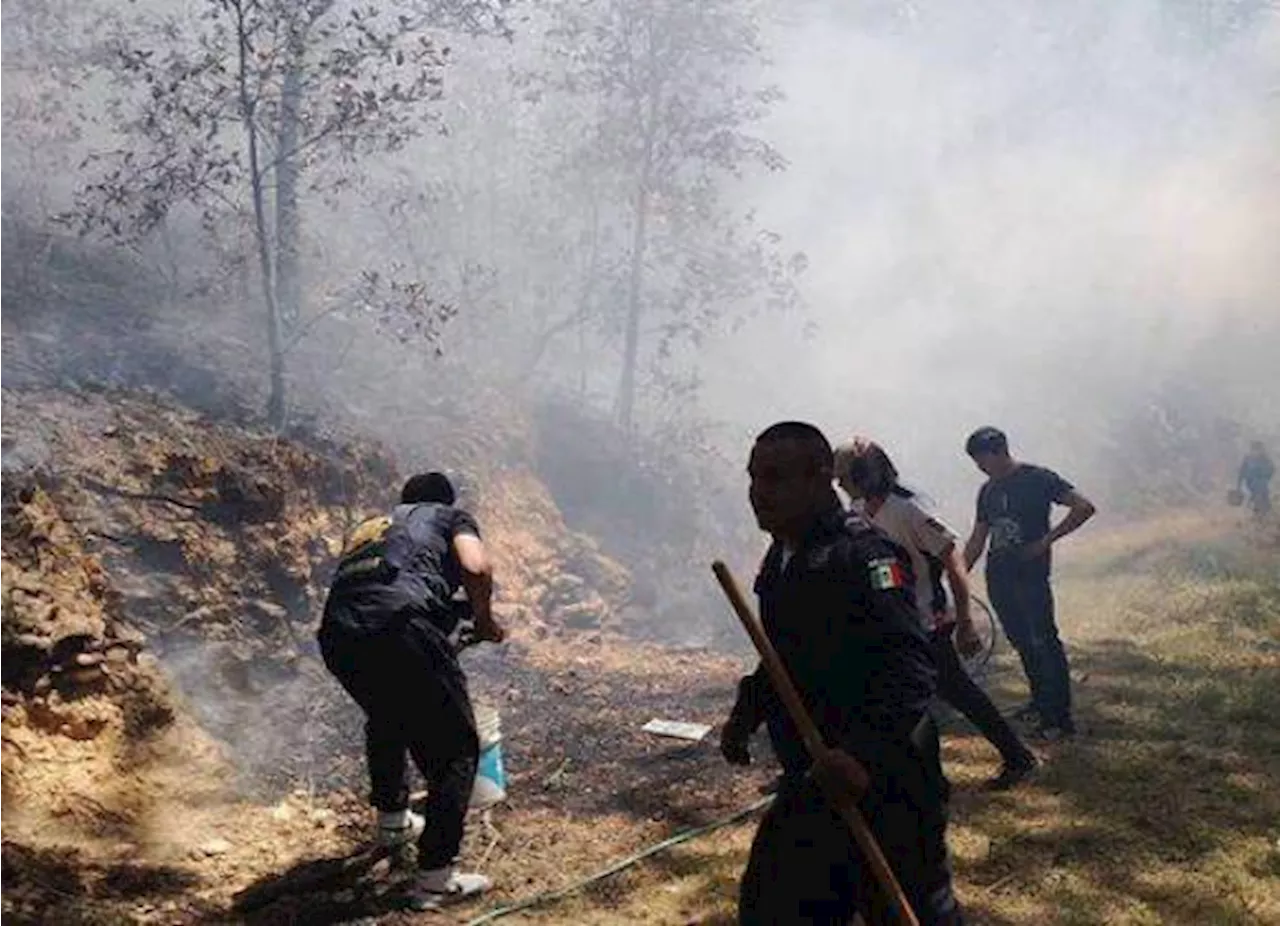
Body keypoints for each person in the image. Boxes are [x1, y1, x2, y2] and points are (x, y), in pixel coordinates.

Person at [721, 422, 964, 925]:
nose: (757, 493)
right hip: (814, 776)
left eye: (774, 478)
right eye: (753, 478)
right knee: (773, 908)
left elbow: (910, 669)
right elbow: (784, 655)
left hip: (888, 777)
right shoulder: (783, 555)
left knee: (910, 907)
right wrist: (746, 714)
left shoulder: (865, 556)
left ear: (820, 479)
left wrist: (859, 756)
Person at [318, 471, 506, 909]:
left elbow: (386, 589)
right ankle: (434, 880)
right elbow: (476, 568)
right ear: (445, 500)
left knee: (386, 717)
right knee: (457, 751)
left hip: (338, 635)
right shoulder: (449, 517)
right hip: (402, 626)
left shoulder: (374, 529)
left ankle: (393, 822)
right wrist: (484, 622)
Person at [834, 437, 1038, 790]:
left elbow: (951, 557)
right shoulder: (860, 511)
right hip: (894, 621)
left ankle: (1014, 757)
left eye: (844, 476)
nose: (838, 484)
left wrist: (964, 622)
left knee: (953, 691)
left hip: (927, 621)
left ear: (862, 475)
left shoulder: (907, 510)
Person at [962, 428, 1096, 742]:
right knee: (1022, 640)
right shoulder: (988, 491)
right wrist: (959, 574)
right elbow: (979, 536)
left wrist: (1045, 542)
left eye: (982, 461)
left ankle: (1060, 717)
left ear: (999, 452)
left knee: (1044, 640)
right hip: (999, 575)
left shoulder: (1038, 479)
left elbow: (1084, 507)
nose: (980, 468)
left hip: (1031, 574)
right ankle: (1039, 702)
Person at [1238, 441, 1274, 519]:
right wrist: (1239, 486)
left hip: (1262, 483)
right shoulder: (1247, 459)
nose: (1256, 452)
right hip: (1250, 484)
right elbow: (1241, 472)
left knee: (1263, 497)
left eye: (1259, 450)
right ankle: (1257, 513)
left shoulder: (1265, 458)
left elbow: (1271, 469)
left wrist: (1265, 475)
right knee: (1255, 498)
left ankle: (1264, 513)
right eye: (1255, 450)